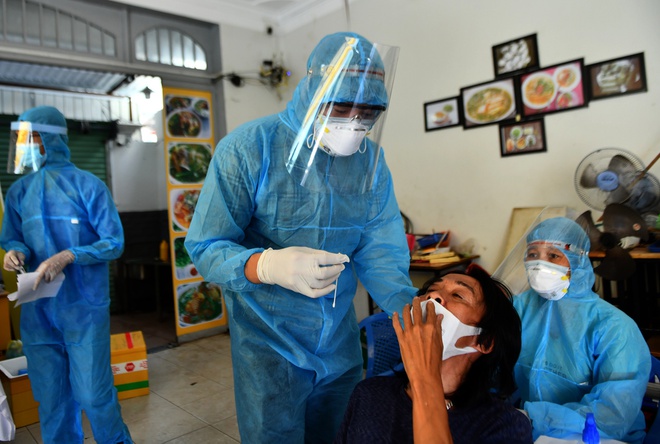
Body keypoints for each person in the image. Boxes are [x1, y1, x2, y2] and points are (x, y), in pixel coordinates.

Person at [185, 32, 417, 443]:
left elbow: (380, 249)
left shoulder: (371, 163)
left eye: (368, 111)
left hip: (339, 344)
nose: (354, 121)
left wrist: (411, 315)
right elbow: (205, 245)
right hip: (267, 344)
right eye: (341, 105)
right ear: (312, 88)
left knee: (341, 433)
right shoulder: (247, 149)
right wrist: (268, 265)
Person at [0, 106, 133, 443]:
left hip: (83, 310)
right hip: (38, 310)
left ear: (50, 138)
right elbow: (14, 236)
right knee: (52, 399)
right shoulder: (19, 192)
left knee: (93, 395)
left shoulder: (89, 186)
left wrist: (71, 254)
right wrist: (15, 252)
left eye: (31, 139)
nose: (26, 146)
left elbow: (114, 242)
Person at [334, 264, 533, 443]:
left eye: (458, 295)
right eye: (430, 291)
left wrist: (424, 377)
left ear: (485, 341)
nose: (432, 297)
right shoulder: (368, 394)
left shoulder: (505, 425)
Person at [513, 217, 650, 443]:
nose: (539, 264)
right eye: (533, 254)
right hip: (525, 431)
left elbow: (613, 414)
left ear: (578, 260)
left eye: (553, 255)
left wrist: (533, 418)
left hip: (594, 436)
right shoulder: (519, 309)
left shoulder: (614, 327)